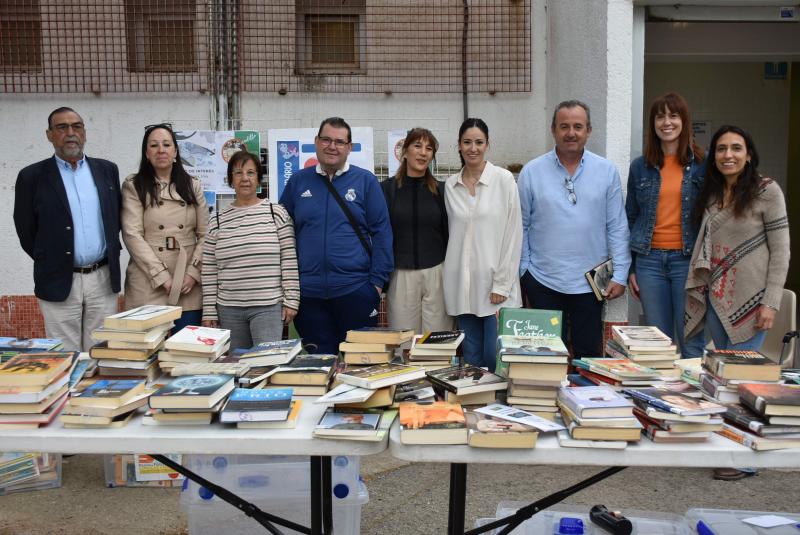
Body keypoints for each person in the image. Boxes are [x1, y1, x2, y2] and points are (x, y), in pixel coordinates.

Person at [684, 126, 790, 482]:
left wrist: (771, 302)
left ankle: (746, 457)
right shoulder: (713, 194)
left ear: (748, 154)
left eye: (736, 148)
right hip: (715, 297)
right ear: (713, 155)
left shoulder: (766, 191)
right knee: (723, 380)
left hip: (753, 301)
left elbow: (781, 251)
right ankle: (728, 447)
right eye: (721, 149)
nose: (728, 155)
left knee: (745, 382)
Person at [518, 100, 630, 359]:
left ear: (588, 130)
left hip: (593, 282)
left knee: (588, 356)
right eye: (564, 126)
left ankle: (583, 399)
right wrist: (524, 271)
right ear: (553, 129)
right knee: (543, 358)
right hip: (542, 280)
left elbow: (617, 226)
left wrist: (620, 274)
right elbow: (521, 225)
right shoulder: (532, 172)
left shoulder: (607, 171)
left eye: (578, 126)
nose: (571, 133)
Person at [279, 117, 393, 354]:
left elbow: (382, 233)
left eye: (340, 142)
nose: (332, 146)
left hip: (356, 290)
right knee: (318, 367)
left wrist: (376, 285)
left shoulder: (366, 182)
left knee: (359, 365)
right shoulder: (299, 181)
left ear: (349, 147)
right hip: (309, 296)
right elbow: (282, 232)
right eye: (327, 139)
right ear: (316, 142)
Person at [13, 107, 122, 352]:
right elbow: (26, 230)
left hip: (102, 277)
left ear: (84, 133)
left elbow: (114, 217)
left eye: (77, 126)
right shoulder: (32, 176)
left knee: (101, 351)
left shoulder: (107, 170)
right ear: (49, 135)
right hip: (59, 278)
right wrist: (55, 259)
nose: (71, 133)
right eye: (62, 127)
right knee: (64, 355)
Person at [626, 92, 706, 358]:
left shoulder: (702, 167)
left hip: (688, 261)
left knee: (691, 338)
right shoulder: (640, 167)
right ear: (653, 123)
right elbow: (631, 217)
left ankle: (695, 399)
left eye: (673, 115)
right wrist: (632, 268)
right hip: (649, 262)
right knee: (658, 343)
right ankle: (661, 399)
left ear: (684, 121)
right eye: (660, 116)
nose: (667, 122)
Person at [443, 118, 522, 371]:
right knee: (473, 362)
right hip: (463, 288)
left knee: (495, 359)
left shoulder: (504, 180)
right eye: (467, 142)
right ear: (458, 145)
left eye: (478, 142)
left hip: (496, 288)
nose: (472, 148)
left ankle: (499, 410)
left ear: (488, 145)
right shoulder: (450, 185)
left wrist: (502, 283)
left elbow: (513, 234)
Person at [201, 151, 300, 350]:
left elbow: (289, 259)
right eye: (238, 173)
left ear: (258, 179)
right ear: (230, 180)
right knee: (236, 366)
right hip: (228, 309)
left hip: (268, 307)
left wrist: (292, 300)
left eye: (251, 173)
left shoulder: (276, 213)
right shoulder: (217, 220)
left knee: (266, 365)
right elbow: (210, 270)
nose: (244, 178)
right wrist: (209, 311)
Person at [121, 123, 207, 332]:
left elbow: (206, 234)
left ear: (175, 151)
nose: (161, 150)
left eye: (167, 144)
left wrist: (193, 274)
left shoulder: (191, 185)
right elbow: (132, 234)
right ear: (146, 153)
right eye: (154, 145)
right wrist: (162, 277)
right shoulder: (134, 185)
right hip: (148, 282)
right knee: (148, 357)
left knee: (187, 355)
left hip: (187, 284)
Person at [381, 128, 452, 334]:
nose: (423, 153)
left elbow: (450, 232)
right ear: (405, 151)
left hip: (437, 272)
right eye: (417, 146)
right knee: (403, 342)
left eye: (429, 148)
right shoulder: (386, 190)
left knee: (438, 341)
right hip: (400, 274)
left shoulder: (442, 190)